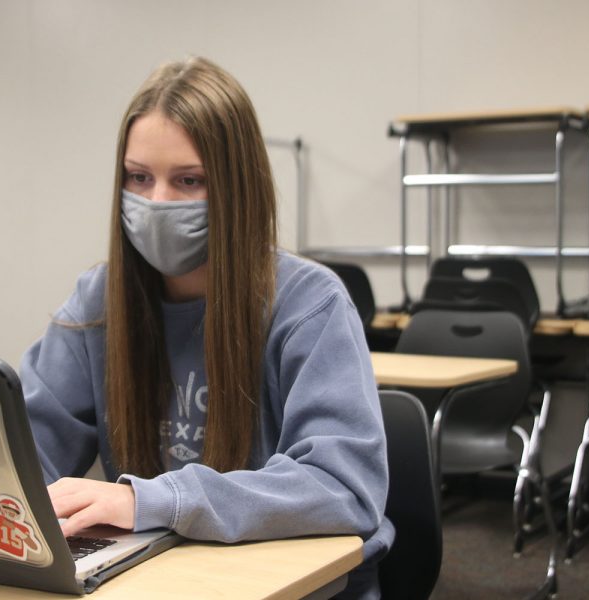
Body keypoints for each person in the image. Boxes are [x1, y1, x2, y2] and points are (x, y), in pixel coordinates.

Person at [21, 56, 393, 598]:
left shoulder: (309, 304)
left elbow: (343, 487)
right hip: (160, 579)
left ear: (237, 187)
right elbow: (26, 447)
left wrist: (155, 501)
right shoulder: (99, 300)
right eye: (138, 178)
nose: (157, 203)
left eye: (189, 180)